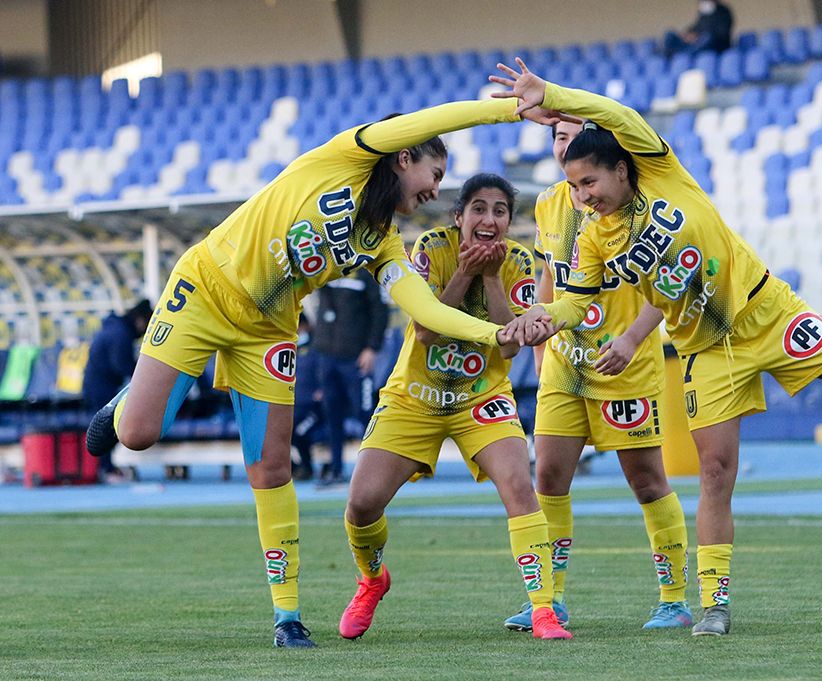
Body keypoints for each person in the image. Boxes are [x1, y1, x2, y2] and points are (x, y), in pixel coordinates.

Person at [84, 96, 570, 648]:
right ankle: (130, 399)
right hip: (205, 289)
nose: (436, 189)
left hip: (269, 331)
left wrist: (495, 333)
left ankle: (287, 617)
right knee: (136, 435)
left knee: (272, 468)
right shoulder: (345, 156)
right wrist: (509, 110)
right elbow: (433, 121)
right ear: (403, 157)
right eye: (435, 174)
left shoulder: (383, 241)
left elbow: (425, 311)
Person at [493, 58, 822, 637]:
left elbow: (616, 114)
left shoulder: (664, 173)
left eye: (590, 182)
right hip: (705, 350)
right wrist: (542, 319)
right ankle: (713, 602)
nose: (583, 196)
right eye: (575, 186)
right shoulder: (592, 234)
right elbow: (577, 301)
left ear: (622, 168)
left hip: (768, 313)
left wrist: (552, 93)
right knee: (715, 472)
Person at [339, 173, 571, 641]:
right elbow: (425, 331)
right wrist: (466, 271)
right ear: (459, 216)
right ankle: (372, 580)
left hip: (482, 397)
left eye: (500, 211)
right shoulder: (430, 248)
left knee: (519, 489)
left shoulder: (519, 262)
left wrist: (490, 277)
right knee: (361, 505)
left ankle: (543, 610)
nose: (489, 219)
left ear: (508, 221)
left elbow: (510, 346)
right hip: (415, 396)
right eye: (479, 209)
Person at [503, 120, 693, 633]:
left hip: (625, 363)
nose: (565, 145)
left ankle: (674, 600)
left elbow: (669, 284)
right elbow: (549, 274)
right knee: (548, 477)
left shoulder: (641, 207)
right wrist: (540, 338)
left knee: (647, 481)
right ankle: (551, 600)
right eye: (557, 139)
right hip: (566, 361)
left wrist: (631, 339)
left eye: (573, 135)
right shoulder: (549, 205)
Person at [312, 267, 388, 486]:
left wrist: (372, 348)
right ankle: (335, 469)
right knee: (331, 414)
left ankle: (375, 472)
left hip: (355, 357)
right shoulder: (325, 268)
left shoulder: (365, 272)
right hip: (327, 355)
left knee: (364, 414)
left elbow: (379, 311)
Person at [81, 299, 152, 481]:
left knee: (103, 427)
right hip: (102, 387)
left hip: (94, 385)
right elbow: (121, 365)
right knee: (105, 428)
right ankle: (106, 469)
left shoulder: (112, 328)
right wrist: (147, 375)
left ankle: (104, 468)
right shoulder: (120, 334)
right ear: (139, 319)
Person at [291, 313, 322, 481]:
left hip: (315, 410)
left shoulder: (317, 347)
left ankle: (307, 468)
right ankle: (293, 467)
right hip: (295, 407)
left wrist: (321, 391)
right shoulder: (288, 348)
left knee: (300, 432)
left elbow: (326, 374)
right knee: (279, 433)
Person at [664, 0, 734, 58]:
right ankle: (676, 53)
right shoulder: (704, 14)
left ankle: (686, 54)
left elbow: (721, 33)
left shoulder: (724, 12)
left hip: (716, 45)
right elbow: (697, 26)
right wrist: (687, 34)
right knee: (670, 34)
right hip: (696, 42)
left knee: (707, 37)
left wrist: (698, 36)